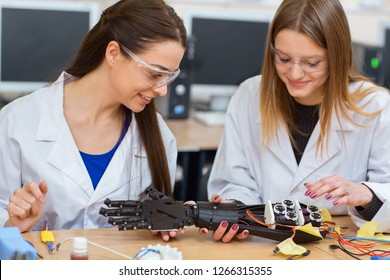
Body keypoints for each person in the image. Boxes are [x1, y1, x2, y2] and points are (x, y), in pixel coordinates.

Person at [0, 0, 187, 241]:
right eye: (154, 74)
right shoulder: (17, 121)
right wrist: (12, 224)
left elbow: (154, 237)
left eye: (169, 77)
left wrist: (171, 220)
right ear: (113, 54)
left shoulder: (158, 136)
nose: (162, 90)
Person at [205, 0, 390, 243]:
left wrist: (365, 195)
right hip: (261, 243)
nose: (294, 74)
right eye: (283, 59)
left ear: (337, 56)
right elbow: (233, 182)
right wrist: (233, 210)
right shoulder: (249, 95)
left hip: (338, 246)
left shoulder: (375, 106)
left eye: (311, 63)